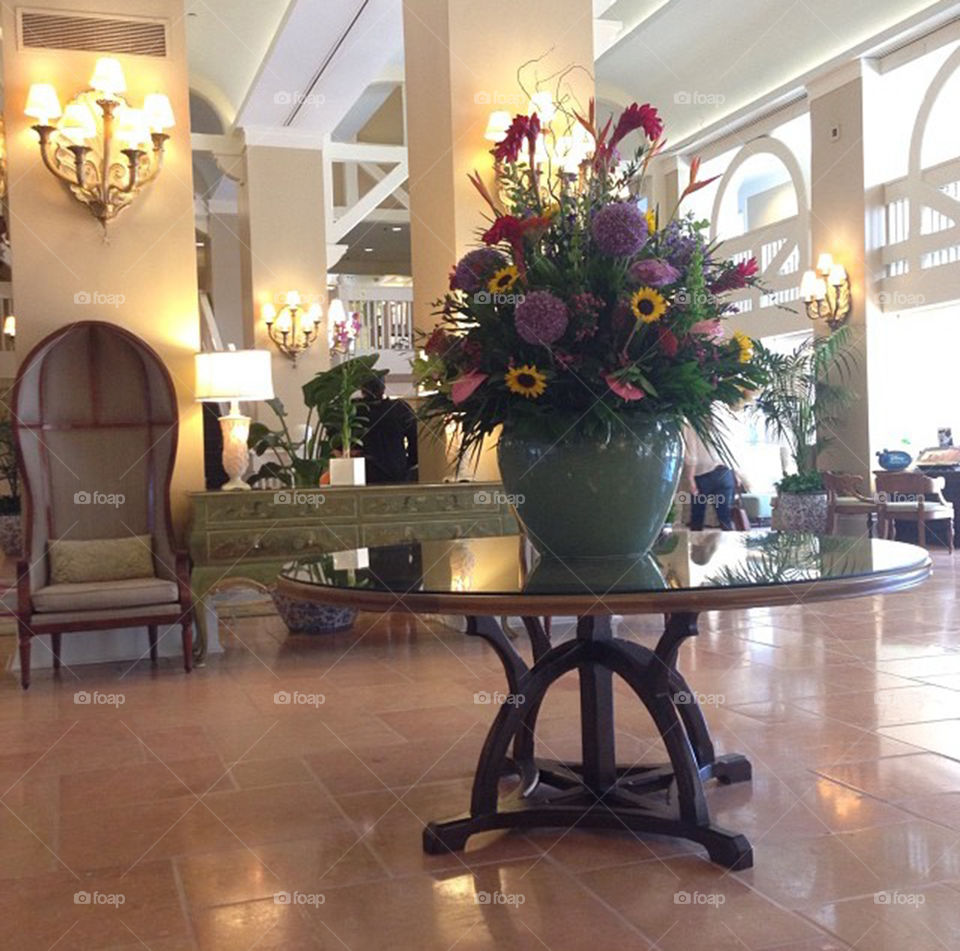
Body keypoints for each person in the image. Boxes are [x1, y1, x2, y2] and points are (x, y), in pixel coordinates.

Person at [681, 418, 747, 531]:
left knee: (697, 518)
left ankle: (696, 547)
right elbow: (732, 449)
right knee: (725, 518)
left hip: (703, 474)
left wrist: (690, 478)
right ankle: (730, 546)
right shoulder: (723, 419)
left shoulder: (693, 422)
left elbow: (692, 454)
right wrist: (736, 473)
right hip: (725, 473)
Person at [358, 375, 418, 483]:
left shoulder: (353, 411)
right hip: (396, 471)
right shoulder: (400, 408)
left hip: (362, 473)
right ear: (383, 387)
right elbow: (415, 441)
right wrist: (407, 464)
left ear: (362, 390)